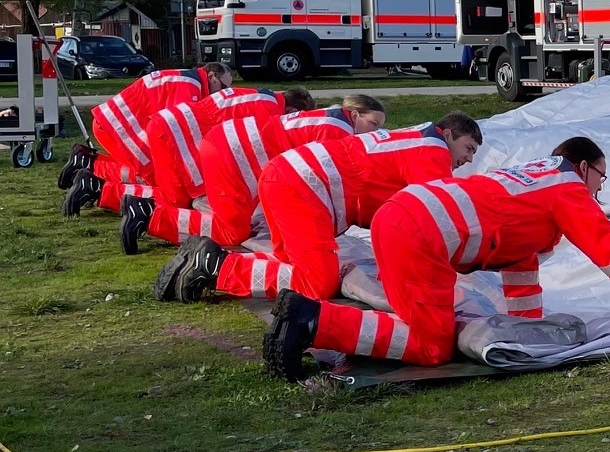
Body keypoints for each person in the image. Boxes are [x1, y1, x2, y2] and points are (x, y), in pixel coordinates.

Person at [261, 137, 610, 378]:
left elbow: (521, 269)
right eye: (601, 176)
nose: (601, 189)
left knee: (420, 320)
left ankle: (309, 318)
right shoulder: (567, 189)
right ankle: (314, 321)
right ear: (582, 168)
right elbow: (608, 250)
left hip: (402, 218)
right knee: (431, 346)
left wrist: (526, 332)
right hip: (420, 234)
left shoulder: (532, 184)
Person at [161, 113, 482, 305]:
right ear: (449, 134)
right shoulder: (432, 150)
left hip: (287, 175)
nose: (468, 159)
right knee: (319, 281)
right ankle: (216, 267)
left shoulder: (415, 139)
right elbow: (435, 214)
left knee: (290, 263)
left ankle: (204, 256)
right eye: (468, 148)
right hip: (304, 187)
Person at [151, 94, 388, 300]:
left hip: (234, 150)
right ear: (355, 114)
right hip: (234, 157)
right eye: (373, 124)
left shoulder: (333, 120)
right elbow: (321, 177)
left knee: (284, 250)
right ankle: (155, 220)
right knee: (233, 231)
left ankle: (170, 230)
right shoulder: (338, 132)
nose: (374, 132)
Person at [118, 86, 317, 255]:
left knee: (176, 197)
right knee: (227, 227)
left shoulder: (262, 97)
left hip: (173, 127)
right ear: (292, 109)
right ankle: (149, 215)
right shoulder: (269, 110)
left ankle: (123, 199)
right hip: (186, 137)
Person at [60, 63, 233, 212]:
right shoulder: (190, 87)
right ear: (211, 76)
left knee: (154, 174)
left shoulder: (188, 80)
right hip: (120, 127)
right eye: (223, 87)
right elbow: (179, 130)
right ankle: (95, 175)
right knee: (156, 180)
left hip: (115, 124)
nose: (223, 93)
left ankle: (90, 165)